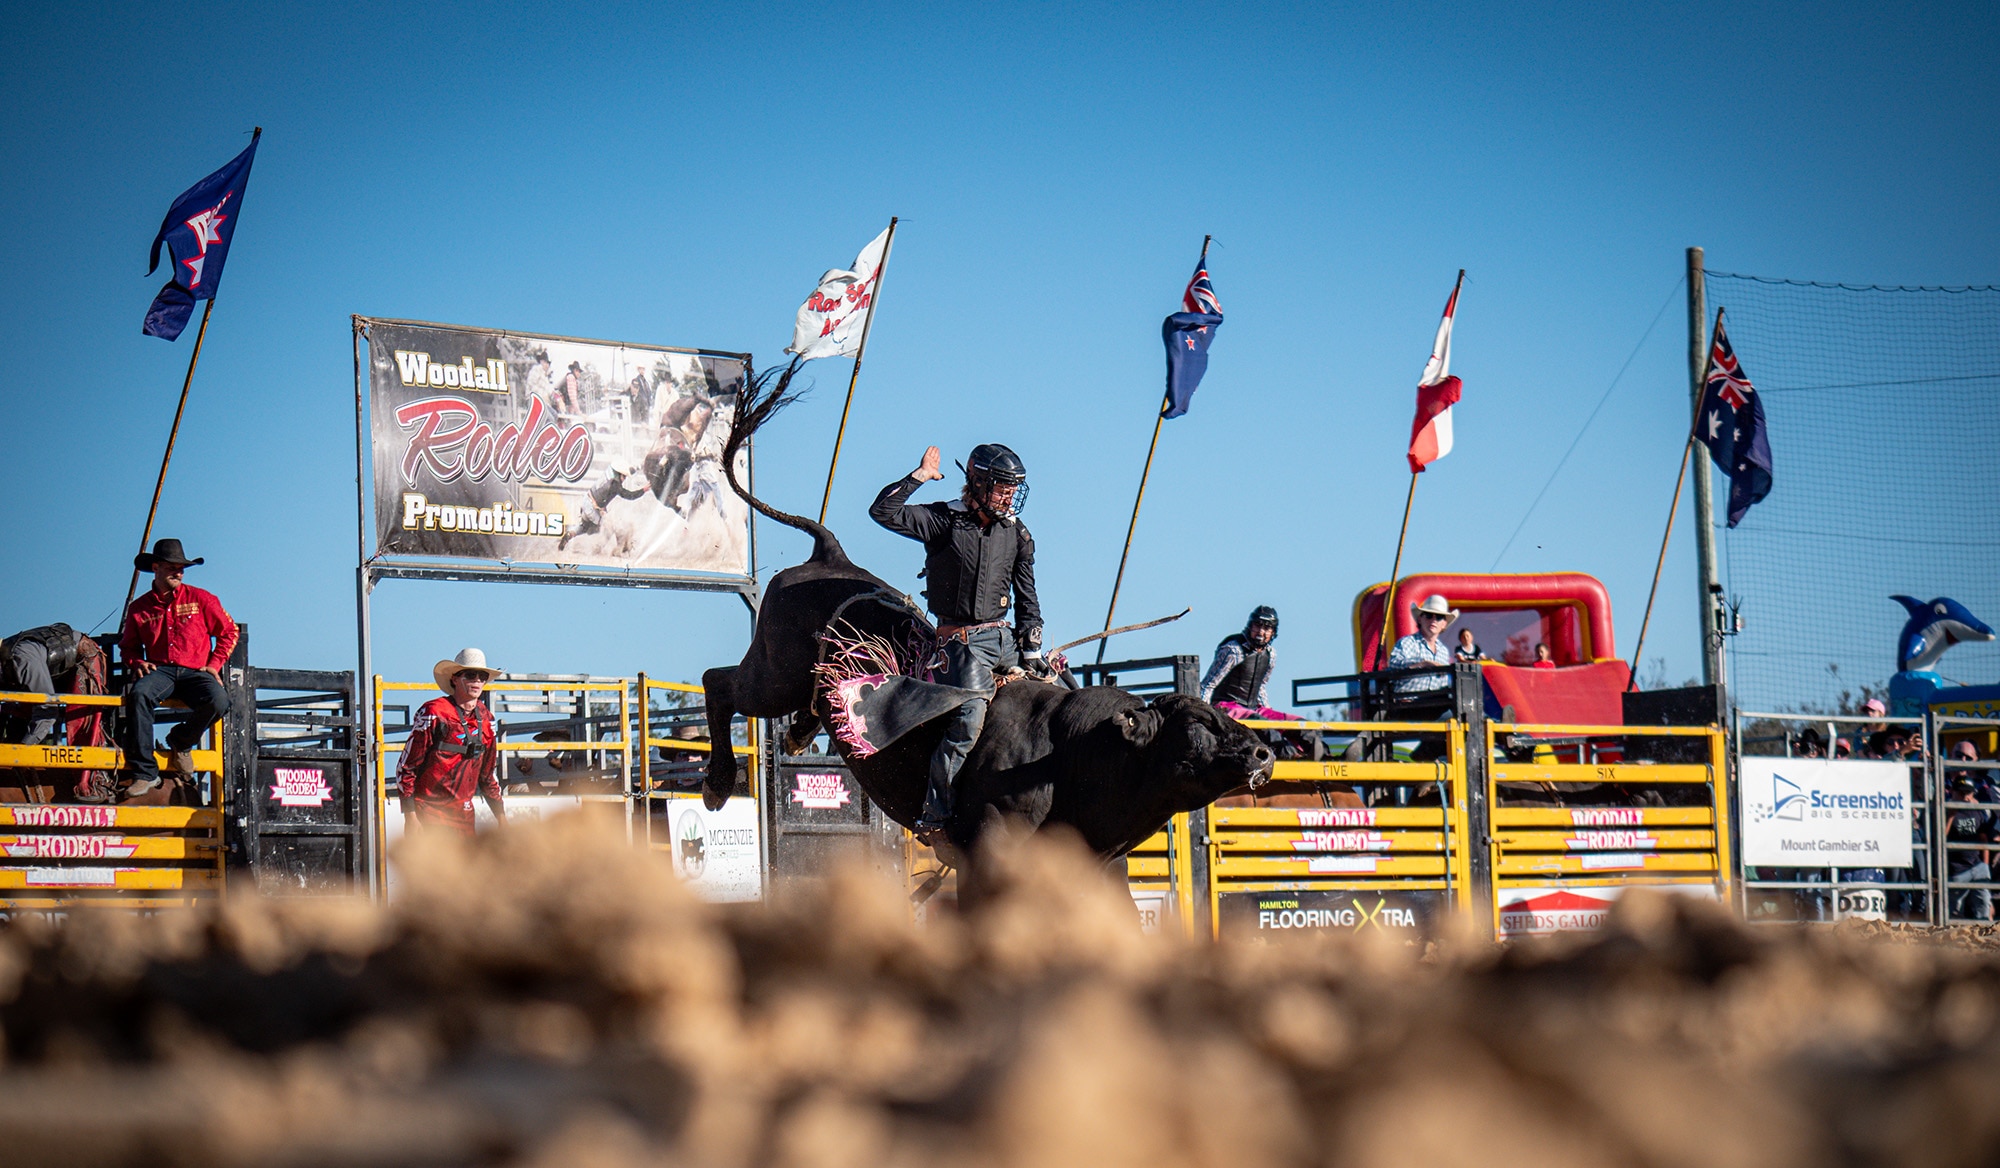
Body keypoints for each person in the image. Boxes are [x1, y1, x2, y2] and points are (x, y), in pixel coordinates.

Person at [870, 443, 1042, 844]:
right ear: (978, 484)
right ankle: (935, 814)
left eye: (1014, 488)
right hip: (959, 647)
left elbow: (1028, 597)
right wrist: (919, 477)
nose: (1010, 495)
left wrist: (1032, 650)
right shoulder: (944, 520)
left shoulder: (1017, 533)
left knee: (1062, 694)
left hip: (1006, 642)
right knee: (967, 721)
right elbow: (883, 512)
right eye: (1003, 487)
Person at [119, 539, 237, 798]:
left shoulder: (202, 598)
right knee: (139, 694)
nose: (179, 572)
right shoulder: (139, 608)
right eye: (172, 567)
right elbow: (128, 648)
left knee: (219, 700)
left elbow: (230, 632)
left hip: (196, 671)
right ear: (156, 568)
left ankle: (181, 742)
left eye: (182, 568)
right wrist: (138, 662)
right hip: (161, 670)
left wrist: (214, 664)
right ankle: (145, 772)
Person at [397, 648, 505, 835]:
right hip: (429, 813)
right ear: (455, 679)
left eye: (482, 676)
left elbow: (488, 775)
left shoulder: (487, 720)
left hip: (464, 816)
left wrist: (502, 818)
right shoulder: (434, 713)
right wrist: (411, 816)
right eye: (471, 675)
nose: (477, 681)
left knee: (467, 865)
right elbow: (406, 767)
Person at [2, 623, 103, 745]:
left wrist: (25, 747)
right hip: (53, 668)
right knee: (20, 711)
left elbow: (47, 707)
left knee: (80, 720)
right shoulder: (10, 663)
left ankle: (86, 759)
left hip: (83, 656)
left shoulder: (23, 659)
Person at [1386, 594, 1456, 693]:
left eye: (1439, 617)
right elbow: (1394, 665)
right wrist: (1423, 663)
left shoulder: (1443, 650)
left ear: (1444, 624)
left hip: (1436, 703)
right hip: (1407, 702)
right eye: (1429, 615)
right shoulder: (1407, 642)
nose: (1433, 620)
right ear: (1420, 619)